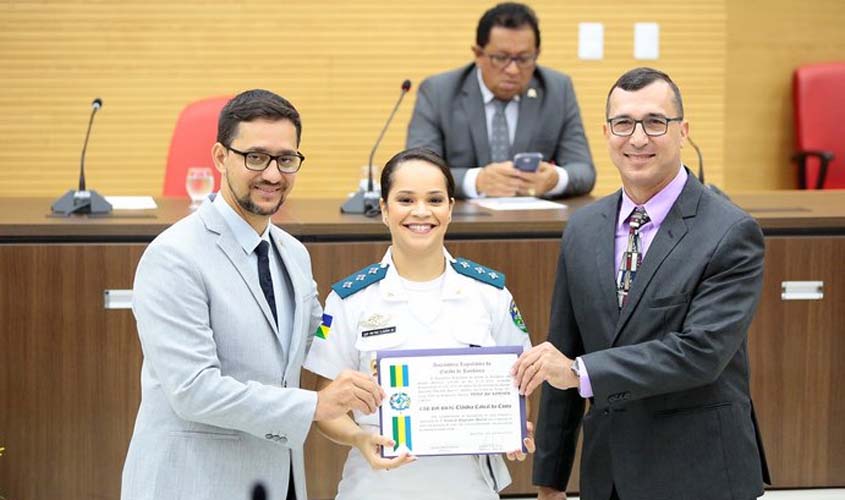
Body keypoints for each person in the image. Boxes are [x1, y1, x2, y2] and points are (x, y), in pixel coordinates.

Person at [512, 68, 771, 500]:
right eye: (623, 123)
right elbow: (563, 349)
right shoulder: (583, 228)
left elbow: (701, 353)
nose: (637, 138)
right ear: (606, 132)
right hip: (608, 474)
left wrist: (579, 372)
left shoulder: (730, 232)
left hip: (701, 472)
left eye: (655, 122)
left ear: (683, 131)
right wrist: (550, 481)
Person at [121, 89, 384, 500]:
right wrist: (314, 406)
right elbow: (194, 390)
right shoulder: (174, 256)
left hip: (279, 480)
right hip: (194, 484)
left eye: (286, 159)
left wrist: (391, 328)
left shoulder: (292, 254)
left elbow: (322, 337)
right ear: (221, 157)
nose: (273, 175)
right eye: (256, 157)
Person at [303, 147, 535, 500]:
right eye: (406, 200)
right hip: (376, 488)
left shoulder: (490, 294)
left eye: (435, 200)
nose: (421, 212)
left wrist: (511, 428)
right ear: (384, 209)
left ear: (450, 209)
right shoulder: (350, 299)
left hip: (468, 488)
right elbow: (325, 408)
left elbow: (519, 384)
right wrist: (359, 437)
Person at [406, 2, 595, 200]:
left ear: (536, 54)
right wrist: (476, 181)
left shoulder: (557, 90)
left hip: (534, 217)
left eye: (524, 59)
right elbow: (419, 171)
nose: (513, 70)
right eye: (500, 58)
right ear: (478, 54)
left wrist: (555, 179)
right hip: (460, 217)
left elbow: (584, 170)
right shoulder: (438, 92)